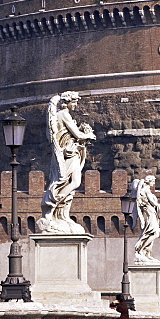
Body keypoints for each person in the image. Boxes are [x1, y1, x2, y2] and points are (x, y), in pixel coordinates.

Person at [39, 92, 96, 233]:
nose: (75, 105)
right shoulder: (63, 114)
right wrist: (89, 135)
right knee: (70, 181)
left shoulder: (61, 115)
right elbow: (77, 134)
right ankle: (52, 206)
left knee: (70, 182)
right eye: (74, 102)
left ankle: (61, 214)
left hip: (71, 152)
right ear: (67, 102)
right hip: (67, 153)